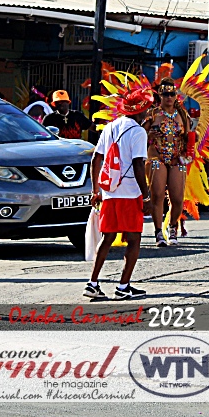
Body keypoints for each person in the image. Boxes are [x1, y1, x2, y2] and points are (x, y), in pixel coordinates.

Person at [84, 88, 153, 300]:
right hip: (130, 193)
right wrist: (147, 196)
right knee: (134, 239)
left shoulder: (110, 127)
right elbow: (138, 165)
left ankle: (93, 283)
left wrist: (96, 190)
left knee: (107, 238)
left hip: (109, 191)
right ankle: (123, 287)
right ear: (141, 111)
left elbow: (96, 158)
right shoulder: (138, 132)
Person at [143, 78, 191, 247]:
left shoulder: (183, 115)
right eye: (165, 94)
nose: (169, 97)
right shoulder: (152, 114)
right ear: (159, 95)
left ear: (176, 96)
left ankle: (172, 228)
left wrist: (191, 142)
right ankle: (158, 233)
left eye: (172, 94)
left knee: (177, 199)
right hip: (157, 157)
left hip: (177, 158)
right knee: (157, 196)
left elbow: (189, 137)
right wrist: (149, 136)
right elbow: (140, 135)